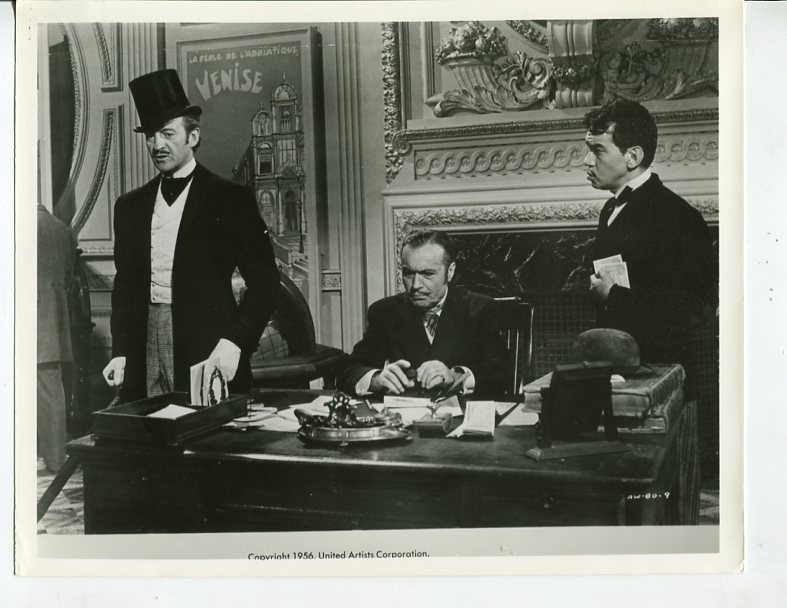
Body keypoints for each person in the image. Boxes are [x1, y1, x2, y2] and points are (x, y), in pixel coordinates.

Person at [102, 69, 280, 401]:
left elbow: (266, 282)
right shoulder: (129, 206)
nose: (158, 145)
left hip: (207, 346)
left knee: (201, 428)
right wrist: (121, 351)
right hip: (143, 348)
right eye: (151, 136)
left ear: (193, 136)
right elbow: (125, 288)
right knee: (147, 426)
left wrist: (235, 342)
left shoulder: (230, 198)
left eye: (168, 133)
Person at [583, 98, 715, 387]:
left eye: (597, 151)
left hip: (664, 377)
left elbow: (689, 310)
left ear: (633, 157)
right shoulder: (610, 209)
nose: (587, 161)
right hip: (618, 372)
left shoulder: (679, 217)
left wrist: (612, 295)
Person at [336, 230, 508, 398]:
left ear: (450, 271)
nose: (416, 285)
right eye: (408, 273)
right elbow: (349, 370)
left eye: (427, 274)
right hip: (403, 414)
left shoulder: (480, 308)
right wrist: (376, 379)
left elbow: (500, 373)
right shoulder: (385, 312)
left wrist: (455, 377)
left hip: (461, 413)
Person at [37, 203, 76, 472]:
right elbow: (68, 279)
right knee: (52, 391)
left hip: (27, 321)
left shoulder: (18, 225)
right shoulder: (62, 229)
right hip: (53, 324)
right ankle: (55, 459)